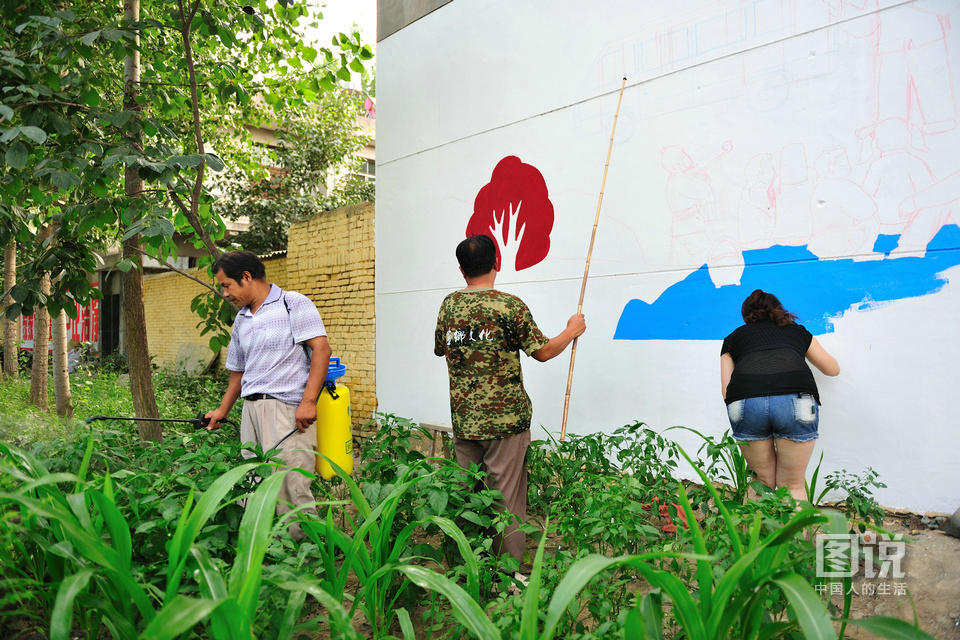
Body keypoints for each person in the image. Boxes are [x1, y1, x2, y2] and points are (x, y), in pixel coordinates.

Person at [434, 234, 586, 571]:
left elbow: (442, 348)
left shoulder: (448, 306)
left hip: (464, 421)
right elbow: (543, 352)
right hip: (506, 423)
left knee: (467, 494)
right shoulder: (509, 306)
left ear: (462, 271)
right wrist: (571, 330)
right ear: (497, 263)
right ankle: (507, 575)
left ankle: (469, 568)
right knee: (507, 500)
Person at [205, 251, 332, 539]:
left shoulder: (292, 303)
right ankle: (266, 554)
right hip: (251, 411)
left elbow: (321, 350)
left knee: (292, 486)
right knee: (253, 483)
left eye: (227, 285)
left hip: (286, 410)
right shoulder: (242, 319)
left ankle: (310, 560)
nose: (224, 293)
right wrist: (222, 411)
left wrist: (308, 401)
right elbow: (237, 372)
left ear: (246, 277)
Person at [720, 289, 839, 500]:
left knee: (761, 481)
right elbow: (832, 369)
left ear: (746, 315)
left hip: (745, 403)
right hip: (796, 400)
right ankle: (794, 534)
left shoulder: (733, 338)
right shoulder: (797, 332)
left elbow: (726, 390)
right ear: (777, 309)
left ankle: (750, 533)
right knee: (792, 485)